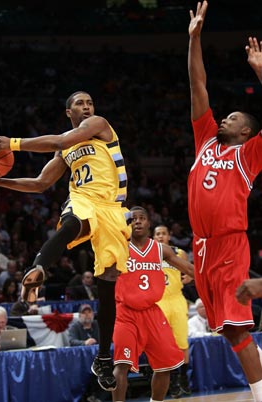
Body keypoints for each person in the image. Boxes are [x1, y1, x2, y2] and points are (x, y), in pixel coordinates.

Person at [0, 91, 131, 391]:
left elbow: (59, 141)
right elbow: (40, 184)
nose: (87, 107)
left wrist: (13, 144)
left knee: (108, 282)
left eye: (89, 102)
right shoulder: (66, 151)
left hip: (113, 209)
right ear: (68, 112)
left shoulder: (99, 125)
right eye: (80, 104)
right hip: (84, 199)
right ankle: (37, 272)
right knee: (71, 222)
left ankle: (102, 357)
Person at [187, 2, 262, 400]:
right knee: (230, 331)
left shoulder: (248, 155)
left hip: (230, 243)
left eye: (233, 118)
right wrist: (194, 39)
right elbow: (198, 86)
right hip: (201, 248)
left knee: (237, 326)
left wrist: (260, 72)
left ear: (246, 132)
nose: (225, 119)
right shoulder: (204, 140)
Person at [112, 206, 194, 402]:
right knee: (121, 365)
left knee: (166, 366)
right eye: (133, 219)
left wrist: (214, 281)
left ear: (149, 223)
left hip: (153, 312)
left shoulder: (162, 249)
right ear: (127, 224)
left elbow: (191, 269)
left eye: (142, 218)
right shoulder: (118, 247)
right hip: (126, 313)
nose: (137, 221)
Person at [153, 225, 191, 398]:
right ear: (153, 238)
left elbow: (189, 273)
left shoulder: (179, 253)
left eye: (163, 234)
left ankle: (183, 379)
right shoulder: (148, 254)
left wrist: (189, 276)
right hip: (159, 302)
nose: (160, 236)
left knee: (182, 343)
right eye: (157, 234)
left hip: (176, 299)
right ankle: (173, 382)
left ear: (169, 236)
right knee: (165, 344)